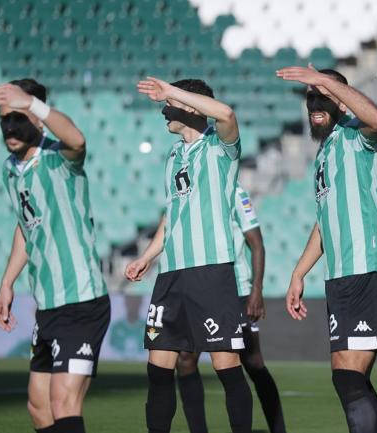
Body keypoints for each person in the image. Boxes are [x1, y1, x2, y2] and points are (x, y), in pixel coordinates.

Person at [124, 77, 252, 433]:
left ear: (192, 107)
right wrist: (148, 255)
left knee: (227, 368)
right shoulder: (173, 155)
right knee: (158, 371)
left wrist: (173, 92)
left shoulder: (220, 147)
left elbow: (225, 113)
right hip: (171, 275)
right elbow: (172, 213)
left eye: (171, 104)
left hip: (210, 272)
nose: (164, 110)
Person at [0, 78, 110, 433]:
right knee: (39, 407)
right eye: (4, 120)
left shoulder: (60, 157)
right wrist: (6, 283)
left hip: (82, 300)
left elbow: (78, 139)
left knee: (63, 402)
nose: (10, 127)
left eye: (18, 117)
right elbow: (26, 227)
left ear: (37, 118)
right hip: (47, 304)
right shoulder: (11, 169)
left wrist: (33, 104)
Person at [279, 65, 377, 433]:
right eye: (311, 97)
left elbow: (376, 117)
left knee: (349, 376)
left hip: (367, 268)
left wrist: (330, 83)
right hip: (341, 275)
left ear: (341, 100)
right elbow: (324, 223)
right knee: (347, 377)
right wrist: (299, 273)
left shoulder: (356, 135)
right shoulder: (326, 151)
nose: (315, 102)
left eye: (323, 95)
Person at [175, 183, 287, 433]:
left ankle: (278, 429)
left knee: (253, 363)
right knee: (185, 358)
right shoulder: (190, 195)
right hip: (200, 291)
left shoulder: (234, 192)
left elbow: (256, 243)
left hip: (236, 290)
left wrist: (256, 290)